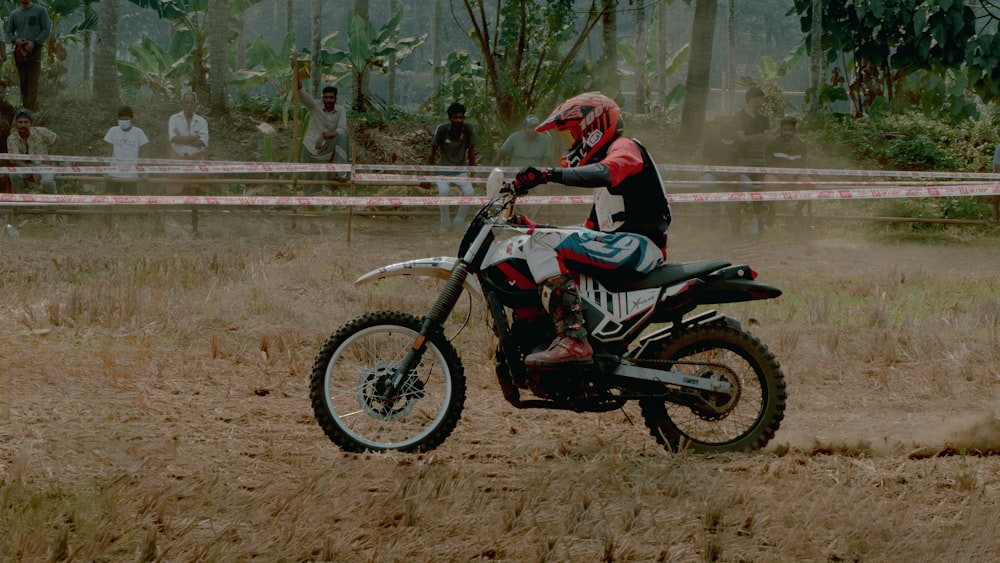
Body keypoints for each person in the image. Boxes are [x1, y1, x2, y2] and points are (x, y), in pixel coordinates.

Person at [509, 92, 672, 367]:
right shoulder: (605, 189)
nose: (571, 144)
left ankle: (574, 339)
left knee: (544, 243)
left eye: (572, 136)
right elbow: (585, 234)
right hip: (623, 244)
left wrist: (548, 175)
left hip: (640, 245)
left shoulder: (624, 147)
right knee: (539, 241)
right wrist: (535, 228)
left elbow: (608, 171)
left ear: (593, 128)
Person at [294, 71, 349, 194]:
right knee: (308, 176)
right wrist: (295, 69)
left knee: (342, 137)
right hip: (310, 147)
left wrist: (324, 136)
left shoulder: (340, 110)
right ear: (322, 98)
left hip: (326, 148)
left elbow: (342, 129)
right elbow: (300, 91)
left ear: (336, 99)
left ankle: (341, 172)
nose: (328, 100)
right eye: (326, 97)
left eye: (331, 98)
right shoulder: (315, 106)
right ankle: (306, 204)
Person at [492, 114, 554, 218]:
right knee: (516, 191)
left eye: (535, 127)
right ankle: (525, 216)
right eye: (530, 127)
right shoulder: (514, 137)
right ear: (524, 127)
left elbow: (545, 160)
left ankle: (531, 218)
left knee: (543, 192)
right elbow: (500, 155)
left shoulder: (545, 139)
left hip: (535, 173)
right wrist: (490, 171)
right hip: (516, 174)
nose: (533, 130)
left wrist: (542, 177)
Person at [427, 102, 477, 231]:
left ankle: (458, 222)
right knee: (443, 192)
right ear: (450, 118)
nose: (458, 120)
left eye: (461, 118)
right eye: (455, 117)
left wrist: (473, 175)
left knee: (470, 193)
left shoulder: (468, 129)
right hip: (443, 171)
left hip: (461, 171)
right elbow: (431, 153)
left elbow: (471, 153)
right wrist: (426, 176)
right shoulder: (442, 129)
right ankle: (445, 224)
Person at [733, 86, 772, 236]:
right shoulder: (739, 117)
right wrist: (758, 137)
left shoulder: (763, 118)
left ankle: (757, 224)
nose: (762, 102)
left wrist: (752, 138)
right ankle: (736, 226)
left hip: (760, 158)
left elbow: (768, 135)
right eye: (760, 99)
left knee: (758, 190)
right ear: (752, 99)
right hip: (743, 159)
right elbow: (741, 138)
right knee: (741, 189)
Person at [764, 116, 812, 231]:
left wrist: (793, 175)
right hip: (776, 174)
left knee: (809, 183)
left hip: (795, 174)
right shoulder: (771, 144)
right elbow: (769, 163)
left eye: (790, 130)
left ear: (794, 131)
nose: (787, 133)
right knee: (768, 182)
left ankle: (798, 210)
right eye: (785, 130)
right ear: (781, 130)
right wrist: (781, 174)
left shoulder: (801, 145)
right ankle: (772, 209)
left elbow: (802, 163)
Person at [5, 0, 50, 112]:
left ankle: (31, 111)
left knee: (33, 81)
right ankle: (24, 110)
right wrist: (16, 40)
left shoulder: (40, 11)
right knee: (23, 81)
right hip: (20, 51)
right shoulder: (14, 14)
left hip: (35, 50)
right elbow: (9, 32)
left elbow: (46, 30)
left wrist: (34, 42)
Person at [167, 92, 209, 195]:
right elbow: (173, 139)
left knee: (198, 187)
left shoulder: (202, 121)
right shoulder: (174, 118)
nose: (189, 106)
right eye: (186, 103)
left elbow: (202, 142)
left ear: (196, 104)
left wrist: (181, 139)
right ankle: (176, 208)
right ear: (182, 103)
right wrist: (193, 138)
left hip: (196, 158)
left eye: (192, 103)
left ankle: (196, 208)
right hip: (177, 157)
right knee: (175, 187)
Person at [7, 107, 57, 193]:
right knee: (14, 174)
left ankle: (54, 201)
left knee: (47, 182)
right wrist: (32, 171)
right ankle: (22, 198)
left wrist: (50, 157)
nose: (23, 125)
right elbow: (16, 159)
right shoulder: (12, 138)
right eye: (20, 122)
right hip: (26, 167)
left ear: (30, 123)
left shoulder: (41, 132)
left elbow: (58, 140)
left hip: (44, 165)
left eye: (26, 122)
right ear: (16, 123)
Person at [103, 106, 150, 195]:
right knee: (109, 200)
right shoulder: (113, 131)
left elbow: (144, 155)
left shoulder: (138, 132)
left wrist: (145, 172)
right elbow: (108, 153)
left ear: (131, 118)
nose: (123, 122)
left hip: (131, 175)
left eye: (126, 119)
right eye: (121, 119)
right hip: (114, 173)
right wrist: (105, 172)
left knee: (129, 203)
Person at [0, 81, 17, 193]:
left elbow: (10, 126)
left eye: (1, 92)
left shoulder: (9, 108)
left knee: (5, 171)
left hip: (4, 143)